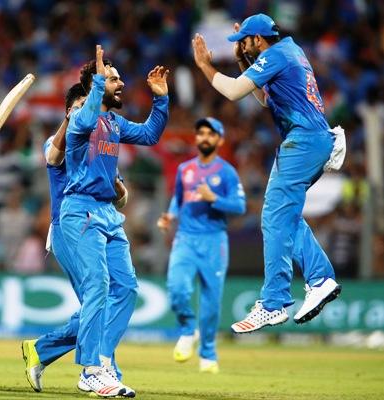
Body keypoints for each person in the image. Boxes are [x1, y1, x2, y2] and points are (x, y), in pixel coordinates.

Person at [191, 14, 345, 333]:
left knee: (275, 217)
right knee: (283, 217)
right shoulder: (289, 51)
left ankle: (274, 302)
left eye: (244, 41)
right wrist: (244, 63)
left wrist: (206, 66)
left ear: (258, 40)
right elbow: (263, 100)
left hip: (303, 141)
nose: (241, 46)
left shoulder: (276, 55)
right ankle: (320, 278)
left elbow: (234, 92)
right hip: (309, 140)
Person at [57, 45, 168, 397]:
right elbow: (87, 120)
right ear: (96, 84)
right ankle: (89, 370)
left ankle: (102, 359)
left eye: (119, 78)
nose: (120, 84)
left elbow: (150, 135)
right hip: (81, 210)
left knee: (127, 286)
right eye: (113, 78)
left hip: (108, 212)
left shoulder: (115, 123)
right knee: (98, 286)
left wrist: (161, 100)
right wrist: (98, 80)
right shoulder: (80, 119)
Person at [21, 82, 128, 393]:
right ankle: (103, 372)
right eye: (83, 106)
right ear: (70, 111)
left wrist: (119, 191)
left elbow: (121, 196)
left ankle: (43, 350)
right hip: (67, 228)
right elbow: (52, 158)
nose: (90, 113)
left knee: (103, 301)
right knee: (100, 300)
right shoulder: (55, 142)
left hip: (94, 221)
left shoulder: (98, 144)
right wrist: (72, 119)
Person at [157, 117, 245, 373]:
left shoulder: (227, 172)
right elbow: (178, 199)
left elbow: (239, 206)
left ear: (220, 140)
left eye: (210, 133)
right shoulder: (185, 169)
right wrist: (170, 215)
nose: (204, 137)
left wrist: (213, 198)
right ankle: (187, 330)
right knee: (177, 289)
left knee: (210, 302)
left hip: (214, 240)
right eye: (201, 133)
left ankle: (208, 353)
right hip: (185, 238)